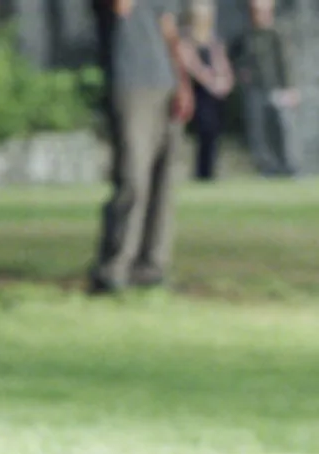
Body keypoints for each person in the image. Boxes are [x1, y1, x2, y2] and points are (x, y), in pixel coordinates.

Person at [91, 0, 196, 293]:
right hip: (130, 84)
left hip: (164, 82)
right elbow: (120, 7)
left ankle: (151, 267)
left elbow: (169, 31)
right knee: (132, 177)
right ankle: (114, 267)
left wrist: (182, 83)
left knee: (163, 181)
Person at [231, 0, 305, 176]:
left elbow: (285, 64)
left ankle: (288, 165)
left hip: (276, 89)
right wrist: (241, 75)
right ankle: (266, 167)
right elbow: (235, 60)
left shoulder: (277, 35)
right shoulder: (245, 37)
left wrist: (290, 88)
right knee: (258, 131)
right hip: (254, 90)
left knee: (283, 128)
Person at [183, 0, 235, 180]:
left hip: (215, 95)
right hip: (199, 93)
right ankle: (202, 173)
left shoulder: (214, 41)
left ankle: (210, 172)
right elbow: (194, 66)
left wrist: (225, 82)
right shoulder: (188, 41)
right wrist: (211, 82)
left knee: (214, 133)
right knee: (204, 131)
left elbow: (222, 64)